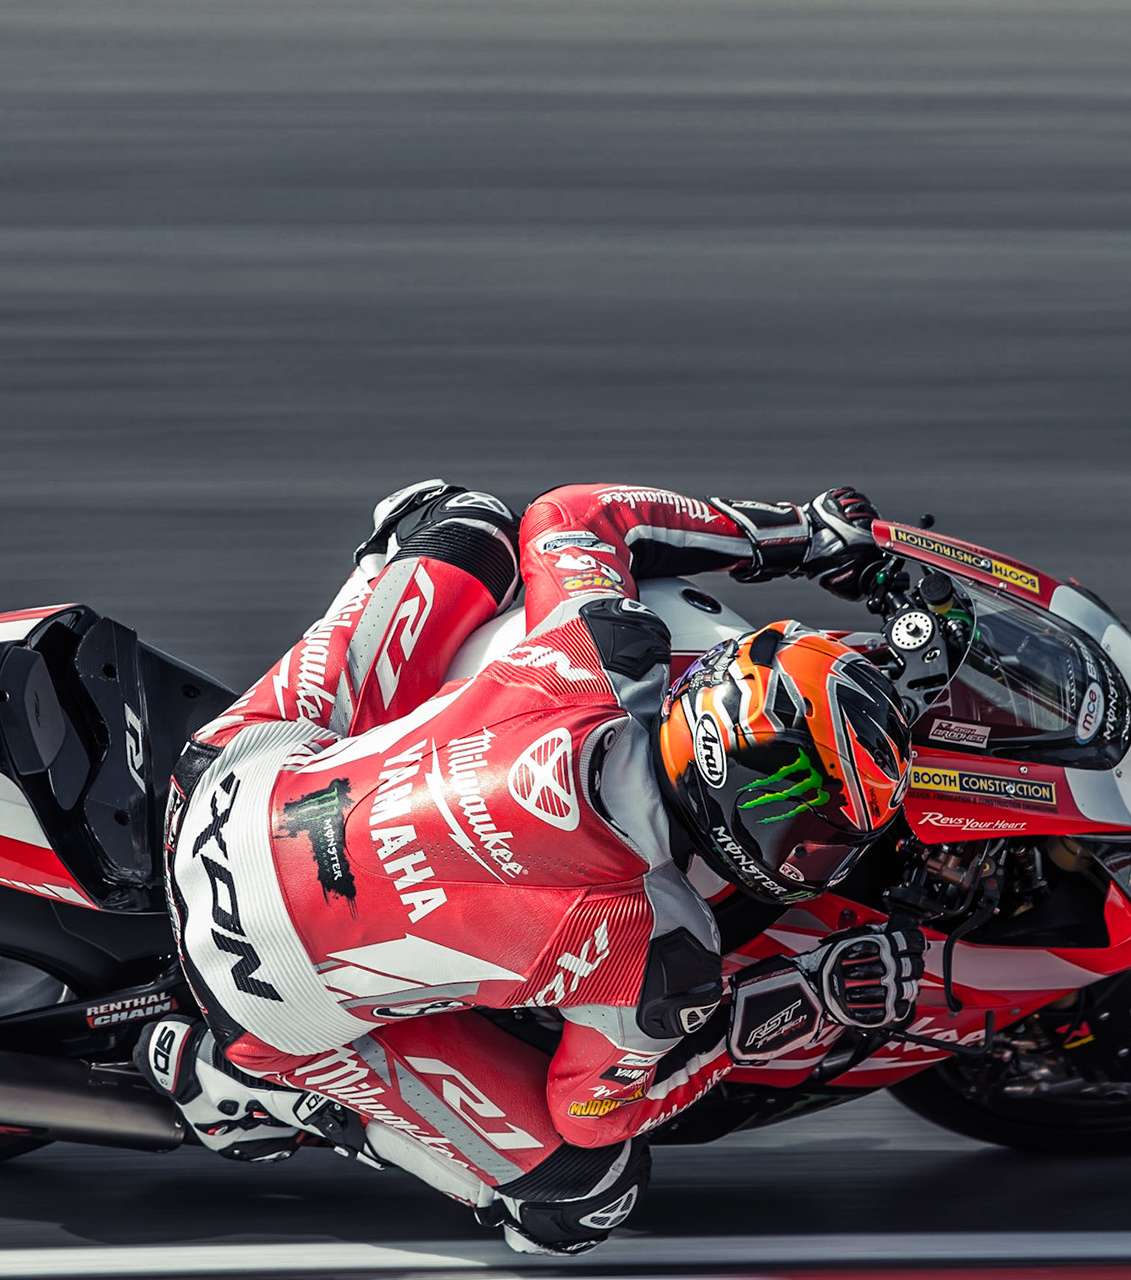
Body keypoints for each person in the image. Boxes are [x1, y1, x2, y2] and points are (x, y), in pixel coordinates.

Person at [137, 481, 925, 1253]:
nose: (825, 861)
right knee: (583, 1201)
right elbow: (594, 1114)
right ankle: (268, 1097)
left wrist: (791, 533)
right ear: (744, 810)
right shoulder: (657, 944)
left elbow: (577, 514)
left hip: (228, 774)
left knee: (458, 518)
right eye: (814, 840)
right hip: (265, 1006)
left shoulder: (599, 652)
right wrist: (792, 1002)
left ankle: (387, 562)